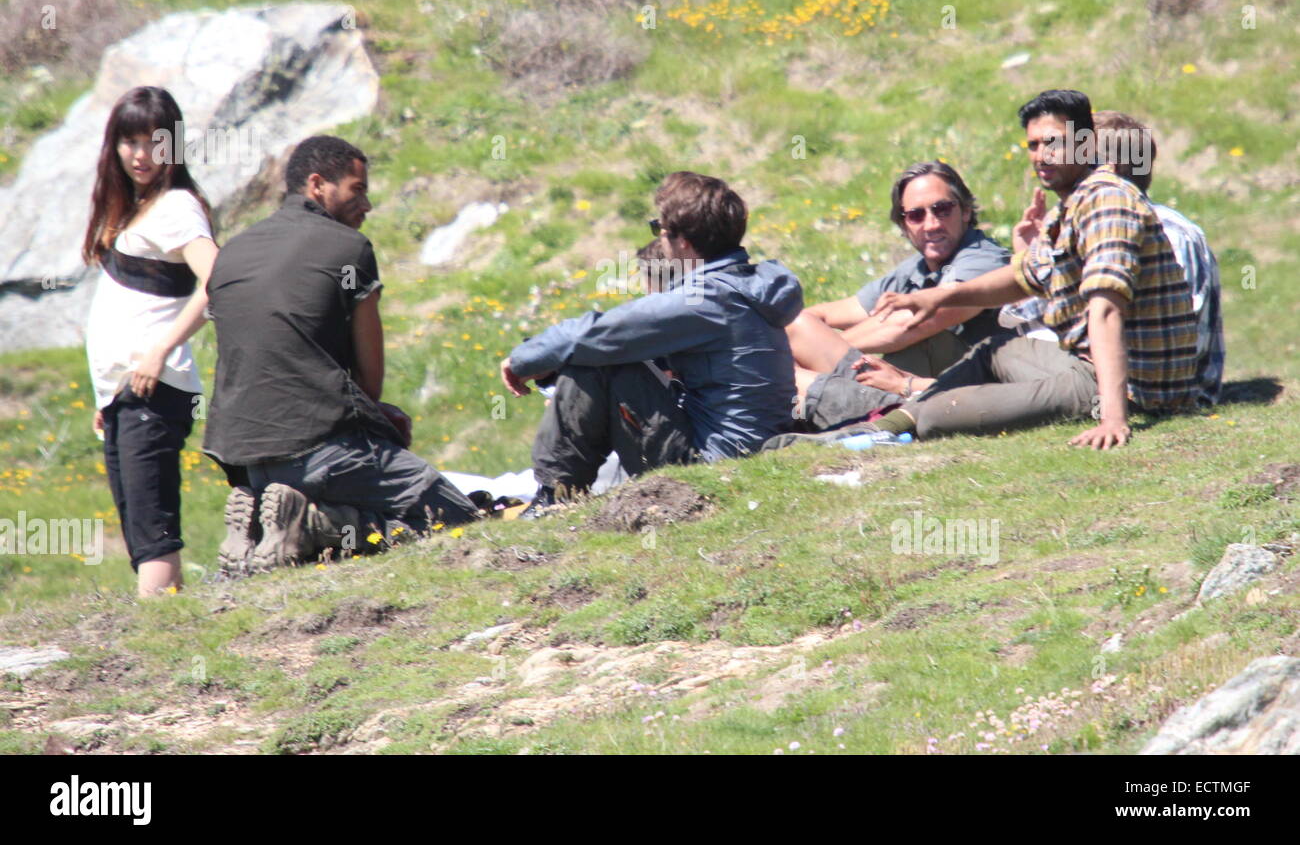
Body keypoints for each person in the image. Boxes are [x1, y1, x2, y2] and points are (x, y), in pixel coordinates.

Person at [861, 90, 1198, 450]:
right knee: (992, 350)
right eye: (1033, 145)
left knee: (940, 414)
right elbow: (1023, 278)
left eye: (1052, 143)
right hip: (1081, 364)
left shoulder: (1106, 201)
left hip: (1130, 389)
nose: (1040, 155)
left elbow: (1106, 307)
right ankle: (874, 430)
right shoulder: (1071, 204)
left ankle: (889, 431)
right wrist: (942, 295)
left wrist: (1113, 419)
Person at [202, 136, 479, 574]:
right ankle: (319, 524)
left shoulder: (231, 253)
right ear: (318, 184)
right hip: (322, 449)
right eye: (357, 189)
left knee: (315, 501)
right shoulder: (349, 250)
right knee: (457, 521)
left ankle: (263, 524)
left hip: (245, 456)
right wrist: (379, 419)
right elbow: (369, 381)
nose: (366, 204)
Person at [500, 171, 803, 519]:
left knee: (598, 361)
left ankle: (556, 498)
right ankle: (560, 494)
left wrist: (523, 359)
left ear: (684, 241)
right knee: (602, 354)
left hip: (714, 464)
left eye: (659, 229)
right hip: (744, 451)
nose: (659, 240)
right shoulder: (744, 287)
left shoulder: (705, 299)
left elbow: (598, 334)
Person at [82, 86, 219, 597]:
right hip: (128, 392)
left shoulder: (177, 206)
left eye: (154, 143)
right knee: (141, 528)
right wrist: (107, 394)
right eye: (129, 141)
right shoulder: (140, 207)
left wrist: (160, 350)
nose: (141, 155)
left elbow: (216, 282)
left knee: (152, 528)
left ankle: (156, 638)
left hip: (155, 389)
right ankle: (165, 631)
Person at [999, 111, 1224, 405]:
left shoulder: (1167, 234)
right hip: (1129, 382)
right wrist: (1032, 257)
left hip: (1152, 391)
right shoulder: (1102, 223)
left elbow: (1179, 338)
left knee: (1000, 353)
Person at [787, 162, 1010, 430]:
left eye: (942, 209)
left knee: (794, 359)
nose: (931, 224)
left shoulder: (982, 259)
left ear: (964, 211)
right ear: (903, 225)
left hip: (957, 395)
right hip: (900, 390)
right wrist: (810, 343)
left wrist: (825, 349)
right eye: (916, 215)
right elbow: (823, 314)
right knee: (797, 327)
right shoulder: (915, 269)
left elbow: (920, 321)